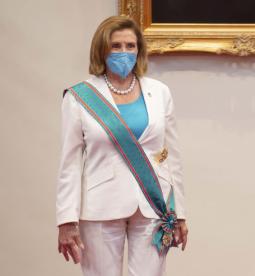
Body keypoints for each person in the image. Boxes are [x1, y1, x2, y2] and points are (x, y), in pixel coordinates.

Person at [56, 16, 188, 276]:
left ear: (139, 49)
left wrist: (180, 212)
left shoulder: (159, 92)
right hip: (100, 207)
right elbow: (69, 165)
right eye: (116, 46)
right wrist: (66, 220)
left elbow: (171, 157)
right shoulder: (79, 97)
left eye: (131, 46)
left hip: (154, 205)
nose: (124, 52)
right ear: (102, 49)